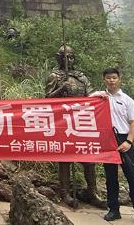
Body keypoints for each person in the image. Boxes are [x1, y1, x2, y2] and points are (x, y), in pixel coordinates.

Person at [45, 45, 105, 208]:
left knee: (88, 159)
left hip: (81, 121)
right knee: (65, 159)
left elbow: (91, 95)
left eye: (72, 57)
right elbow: (46, 100)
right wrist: (60, 89)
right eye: (66, 57)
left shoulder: (81, 77)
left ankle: (92, 192)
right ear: (59, 58)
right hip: (63, 123)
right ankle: (64, 192)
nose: (69, 60)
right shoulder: (54, 76)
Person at [91, 68, 134, 225]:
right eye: (108, 78)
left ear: (119, 79)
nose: (111, 80)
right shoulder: (99, 97)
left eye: (114, 78)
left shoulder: (127, 100)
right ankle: (113, 210)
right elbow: (85, 104)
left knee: (132, 177)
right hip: (106, 139)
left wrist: (128, 142)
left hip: (123, 139)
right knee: (110, 177)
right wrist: (96, 96)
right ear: (104, 80)